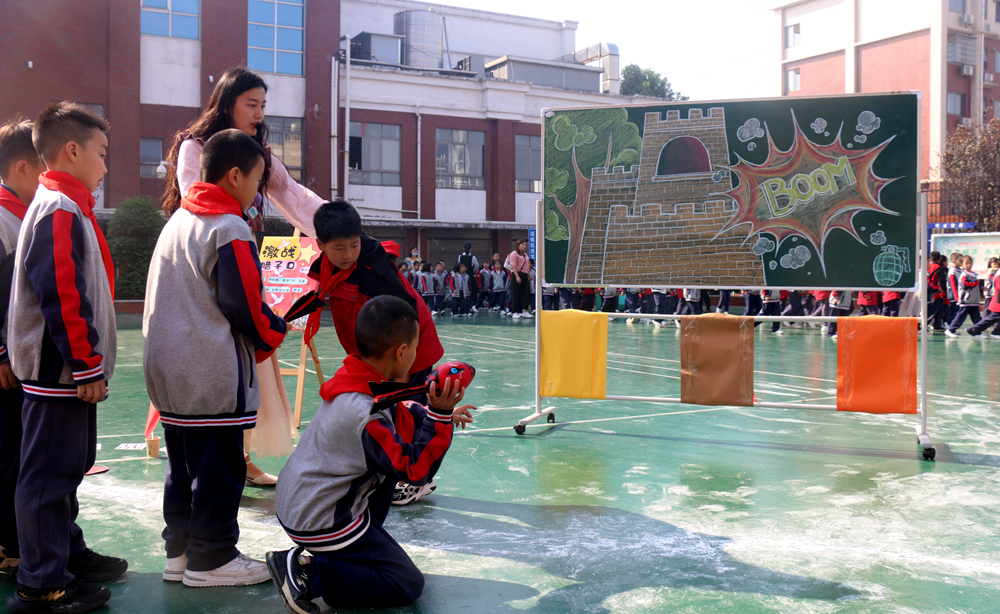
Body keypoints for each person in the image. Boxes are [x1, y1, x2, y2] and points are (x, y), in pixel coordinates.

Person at [162, 67, 324, 485]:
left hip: (243, 267)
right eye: (251, 104)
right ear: (227, 102)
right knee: (215, 362)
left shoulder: (259, 155)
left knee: (245, 365)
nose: (258, 113)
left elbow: (295, 197)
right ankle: (213, 470)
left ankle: (243, 456)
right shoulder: (195, 148)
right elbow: (196, 202)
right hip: (206, 273)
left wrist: (337, 228)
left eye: (262, 106)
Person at [144, 129, 287, 587]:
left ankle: (181, 554)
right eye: (258, 180)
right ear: (234, 175)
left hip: (170, 374)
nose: (259, 192)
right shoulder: (229, 227)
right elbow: (243, 303)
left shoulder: (177, 223)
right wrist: (275, 330)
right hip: (212, 372)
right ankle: (214, 559)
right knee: (220, 469)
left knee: (182, 468)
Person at [268, 296, 474, 612]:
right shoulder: (364, 415)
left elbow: (397, 405)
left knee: (383, 474)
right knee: (405, 583)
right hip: (320, 517)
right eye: (416, 346)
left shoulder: (356, 376)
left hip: (300, 498)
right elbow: (415, 470)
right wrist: (440, 418)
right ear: (402, 352)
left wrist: (434, 412)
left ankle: (344, 557)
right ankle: (308, 572)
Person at [6, 102, 125, 614]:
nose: (105, 166)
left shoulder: (67, 206)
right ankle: (41, 583)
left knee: (67, 470)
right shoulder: (58, 208)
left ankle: (64, 556)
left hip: (67, 372)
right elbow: (61, 294)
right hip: (61, 373)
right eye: (101, 154)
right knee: (47, 479)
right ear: (72, 151)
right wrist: (85, 365)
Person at [303, 200, 444, 506]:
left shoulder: (376, 271)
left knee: (408, 412)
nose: (347, 255)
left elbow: (406, 314)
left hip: (406, 348)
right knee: (388, 412)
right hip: (376, 352)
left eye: (353, 245)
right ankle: (393, 474)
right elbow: (317, 286)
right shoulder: (327, 265)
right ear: (321, 245)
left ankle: (417, 481)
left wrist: (401, 365)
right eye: (338, 247)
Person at [0, 117, 45, 575]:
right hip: (6, 361)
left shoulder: (23, 215)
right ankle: (12, 546)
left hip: (15, 357)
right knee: (12, 453)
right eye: (42, 166)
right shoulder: (4, 219)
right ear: (20, 169)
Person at [946, 256, 982, 337]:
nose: (969, 265)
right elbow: (965, 285)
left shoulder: (973, 274)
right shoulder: (964, 274)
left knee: (976, 317)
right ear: (962, 264)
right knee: (960, 317)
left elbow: (975, 286)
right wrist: (975, 283)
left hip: (973, 301)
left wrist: (981, 287)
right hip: (966, 301)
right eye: (966, 263)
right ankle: (950, 329)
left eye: (970, 263)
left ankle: (978, 332)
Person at [505, 239, 533, 319]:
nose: (524, 246)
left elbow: (527, 266)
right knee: (516, 294)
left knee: (527, 292)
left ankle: (525, 311)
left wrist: (529, 276)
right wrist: (517, 276)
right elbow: (513, 266)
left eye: (525, 244)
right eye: (523, 244)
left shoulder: (525, 254)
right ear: (518, 245)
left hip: (525, 275)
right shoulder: (513, 254)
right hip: (517, 274)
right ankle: (515, 312)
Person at [457, 243, 479, 312]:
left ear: (463, 248)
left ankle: (463, 306)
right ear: (470, 249)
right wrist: (473, 273)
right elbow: (477, 266)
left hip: (462, 275)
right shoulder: (473, 257)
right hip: (470, 275)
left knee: (462, 290)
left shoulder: (460, 256)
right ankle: (472, 305)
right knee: (471, 290)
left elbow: (458, 265)